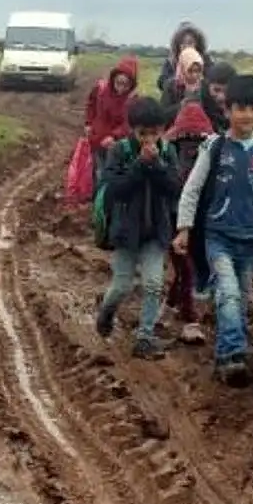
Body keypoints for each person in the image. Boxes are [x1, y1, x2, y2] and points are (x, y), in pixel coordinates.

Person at [174, 75, 253, 386]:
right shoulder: (214, 147)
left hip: (249, 239)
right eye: (241, 108)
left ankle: (227, 352)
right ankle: (233, 355)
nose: (248, 115)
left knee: (242, 297)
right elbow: (193, 189)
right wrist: (184, 228)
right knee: (228, 294)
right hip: (217, 235)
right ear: (227, 110)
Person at [94, 97, 182, 360]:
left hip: (155, 232)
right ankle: (107, 310)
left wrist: (155, 166)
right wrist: (140, 165)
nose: (149, 139)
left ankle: (145, 336)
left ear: (163, 130)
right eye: (143, 133)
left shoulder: (168, 152)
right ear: (133, 129)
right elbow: (114, 189)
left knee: (154, 283)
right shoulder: (119, 151)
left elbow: (175, 187)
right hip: (125, 233)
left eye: (155, 133)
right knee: (122, 285)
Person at [163, 82, 215, 345]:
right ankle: (191, 319)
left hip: (195, 219)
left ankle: (171, 306)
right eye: (187, 141)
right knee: (187, 268)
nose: (191, 147)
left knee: (188, 267)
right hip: (179, 218)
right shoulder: (172, 154)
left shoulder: (209, 153)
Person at [85, 55, 139, 185]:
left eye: (126, 85)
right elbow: (91, 105)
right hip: (97, 138)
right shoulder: (101, 89)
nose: (121, 88)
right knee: (97, 171)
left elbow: (128, 123)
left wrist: (114, 136)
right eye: (119, 83)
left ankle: (106, 198)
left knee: (109, 172)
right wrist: (88, 123)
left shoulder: (132, 100)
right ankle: (97, 198)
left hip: (115, 144)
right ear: (113, 79)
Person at [156, 22, 213, 95]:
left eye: (190, 42)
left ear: (197, 43)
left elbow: (213, 80)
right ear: (177, 45)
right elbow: (161, 82)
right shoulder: (171, 61)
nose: (186, 46)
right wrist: (177, 81)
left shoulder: (205, 59)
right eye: (183, 43)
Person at [161, 46, 206, 110]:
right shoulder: (172, 86)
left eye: (198, 71)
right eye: (190, 71)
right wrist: (181, 106)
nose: (194, 75)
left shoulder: (204, 86)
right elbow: (163, 113)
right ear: (182, 69)